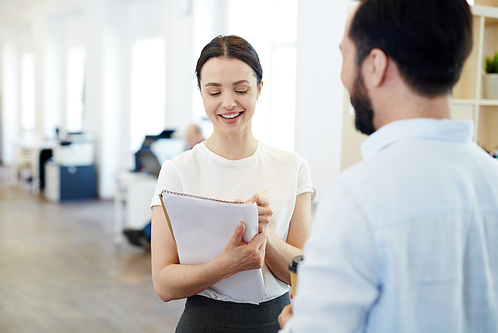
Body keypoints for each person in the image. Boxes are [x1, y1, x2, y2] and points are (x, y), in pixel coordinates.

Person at [279, 0, 498, 332]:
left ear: (375, 65)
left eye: (345, 55)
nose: (342, 74)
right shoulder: (492, 178)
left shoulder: (358, 195)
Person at [150, 35, 316, 332]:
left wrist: (263, 230)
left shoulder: (293, 167)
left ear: (259, 89)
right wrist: (225, 265)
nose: (228, 103)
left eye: (241, 90)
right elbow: (163, 284)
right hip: (204, 322)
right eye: (214, 92)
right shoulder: (178, 172)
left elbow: (305, 270)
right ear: (201, 93)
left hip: (278, 321)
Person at [124, 123, 205, 248]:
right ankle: (146, 233)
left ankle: (145, 234)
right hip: (184, 191)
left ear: (199, 135)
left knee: (170, 209)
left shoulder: (204, 152)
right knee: (163, 205)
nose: (188, 140)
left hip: (194, 196)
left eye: (190, 136)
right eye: (187, 137)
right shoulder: (188, 151)